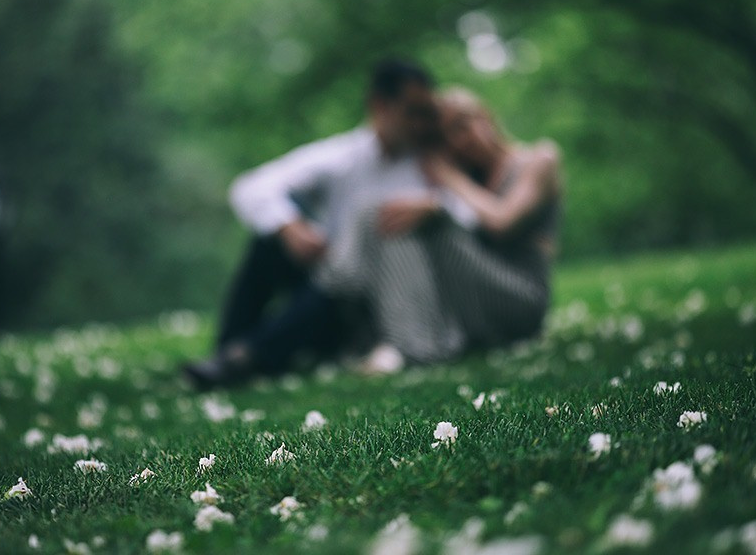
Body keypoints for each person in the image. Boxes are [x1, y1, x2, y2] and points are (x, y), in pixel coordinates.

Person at [182, 60, 473, 388]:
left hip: (382, 304)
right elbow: (252, 187)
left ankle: (242, 358)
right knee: (268, 245)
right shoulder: (343, 157)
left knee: (337, 284)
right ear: (380, 106)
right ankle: (231, 353)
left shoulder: (429, 165)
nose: (420, 125)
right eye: (412, 112)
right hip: (327, 288)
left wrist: (436, 206)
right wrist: (289, 227)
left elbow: (472, 216)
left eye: (426, 114)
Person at [331, 86, 563, 365]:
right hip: (474, 299)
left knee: (429, 220)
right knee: (389, 214)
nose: (460, 140)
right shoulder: (468, 178)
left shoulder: (537, 159)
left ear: (485, 116)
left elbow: (503, 222)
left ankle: (343, 288)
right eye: (447, 136)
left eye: (463, 124)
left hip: (520, 300)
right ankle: (399, 336)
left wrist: (446, 181)